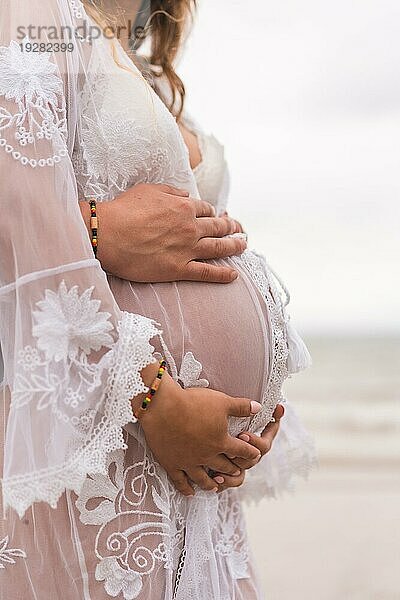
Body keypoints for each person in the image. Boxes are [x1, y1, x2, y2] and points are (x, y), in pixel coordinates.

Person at [0, 1, 315, 598]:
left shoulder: (139, 58)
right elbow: (16, 217)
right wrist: (152, 399)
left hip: (188, 483)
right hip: (104, 441)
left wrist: (242, 423)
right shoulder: (30, 14)